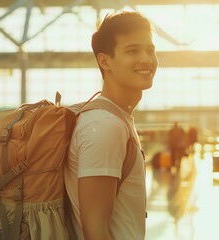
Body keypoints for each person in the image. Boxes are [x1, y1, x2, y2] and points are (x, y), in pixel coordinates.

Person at [63, 11, 158, 240]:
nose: (146, 59)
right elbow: (95, 233)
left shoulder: (116, 119)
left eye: (150, 50)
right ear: (105, 61)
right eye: (132, 51)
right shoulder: (105, 126)